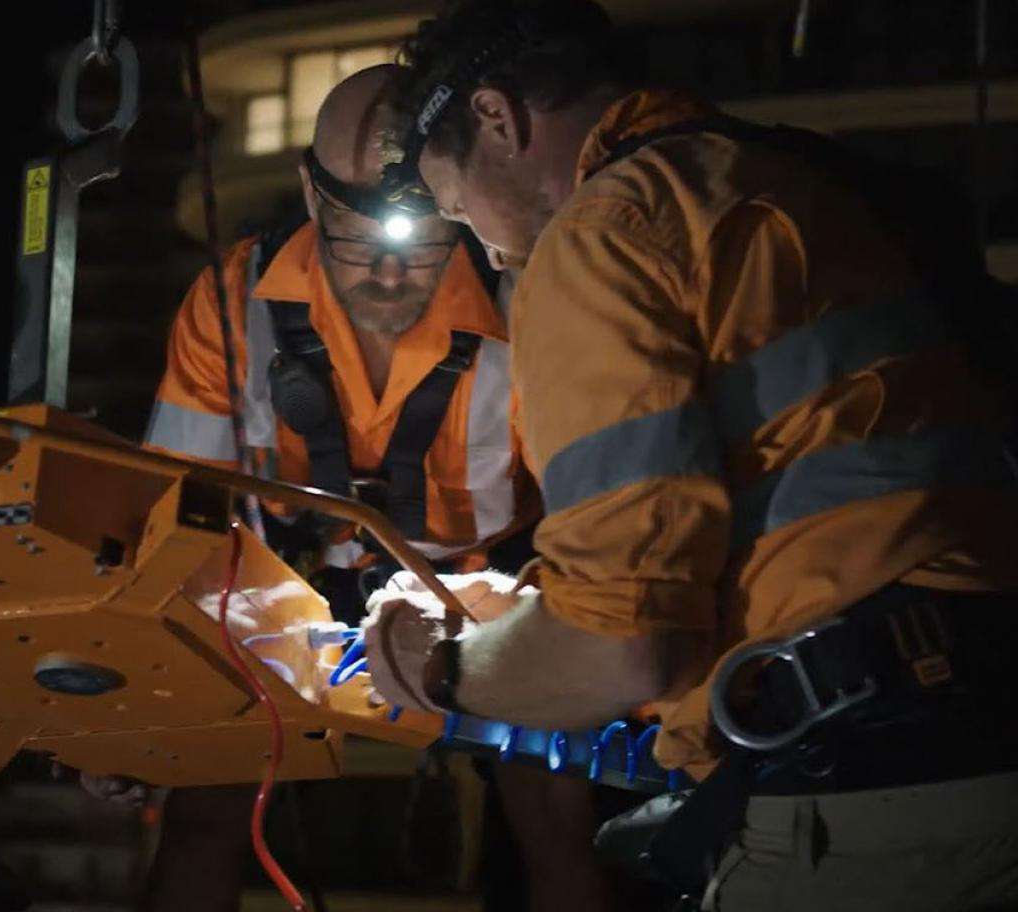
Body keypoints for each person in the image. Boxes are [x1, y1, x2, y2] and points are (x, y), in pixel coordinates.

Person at [363, 2, 1018, 909]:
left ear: (496, 118)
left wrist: (441, 663)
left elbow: (624, 651)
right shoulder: (786, 179)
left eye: (459, 210)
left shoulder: (604, 234)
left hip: (866, 797)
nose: (492, 247)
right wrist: (534, 619)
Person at [105, 64, 642, 912]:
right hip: (279, 583)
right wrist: (139, 678)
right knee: (204, 804)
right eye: (360, 241)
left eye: (425, 244)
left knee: (555, 813)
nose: (392, 277)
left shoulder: (523, 298)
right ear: (312, 202)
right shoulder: (230, 299)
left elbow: (586, 515)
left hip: (484, 587)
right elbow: (174, 506)